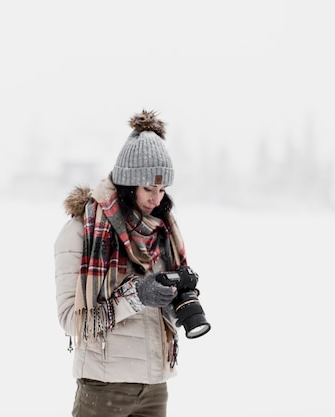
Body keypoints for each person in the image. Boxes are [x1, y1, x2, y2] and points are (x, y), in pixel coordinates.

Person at [54, 110, 207, 417]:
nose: (156, 198)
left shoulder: (162, 231)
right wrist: (138, 296)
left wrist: (178, 297)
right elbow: (72, 320)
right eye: (149, 189)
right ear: (128, 184)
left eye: (162, 190)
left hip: (154, 388)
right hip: (102, 387)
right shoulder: (81, 232)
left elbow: (160, 317)